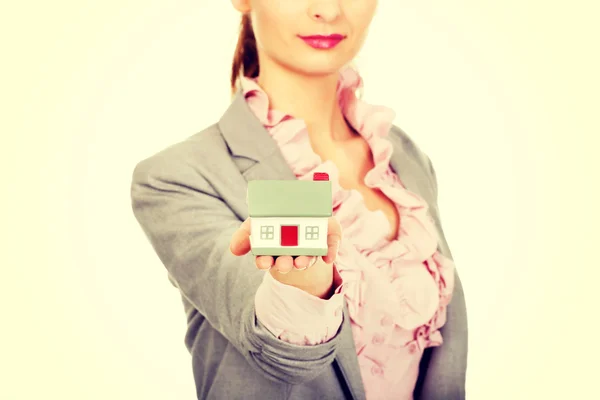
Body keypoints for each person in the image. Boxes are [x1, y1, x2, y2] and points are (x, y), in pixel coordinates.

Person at [130, 0, 468, 399]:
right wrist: (303, 284)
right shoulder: (177, 176)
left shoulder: (404, 157)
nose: (327, 9)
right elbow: (277, 351)